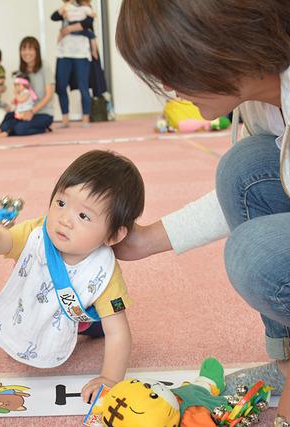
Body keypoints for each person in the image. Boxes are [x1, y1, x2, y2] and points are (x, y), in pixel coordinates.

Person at [114, 1, 290, 424]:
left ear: (220, 46)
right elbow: (250, 191)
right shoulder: (260, 103)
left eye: (174, 72)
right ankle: (286, 361)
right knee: (245, 168)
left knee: (257, 257)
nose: (173, 91)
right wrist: (143, 241)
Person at [0, 150, 145, 403]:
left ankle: (84, 327)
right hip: (37, 305)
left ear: (113, 236)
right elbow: (2, 240)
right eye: (61, 203)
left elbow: (118, 333)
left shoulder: (103, 271)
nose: (64, 220)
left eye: (83, 216)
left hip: (87, 316)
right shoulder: (36, 233)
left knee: (100, 324)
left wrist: (110, 379)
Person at [0, 37, 55, 137]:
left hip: (43, 113)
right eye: (24, 49)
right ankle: (9, 129)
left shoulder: (45, 67)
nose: (26, 52)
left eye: (30, 49)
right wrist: (15, 104)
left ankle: (42, 128)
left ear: (36, 51)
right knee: (6, 121)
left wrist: (31, 111)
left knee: (21, 129)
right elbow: (21, 94)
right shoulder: (21, 71)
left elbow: (49, 95)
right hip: (24, 111)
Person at [51, 3, 93, 128]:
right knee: (61, 86)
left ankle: (86, 118)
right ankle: (65, 119)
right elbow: (53, 17)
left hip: (81, 52)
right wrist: (62, 9)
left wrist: (68, 29)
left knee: (83, 85)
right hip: (64, 52)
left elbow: (88, 23)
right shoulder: (66, 7)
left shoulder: (85, 7)